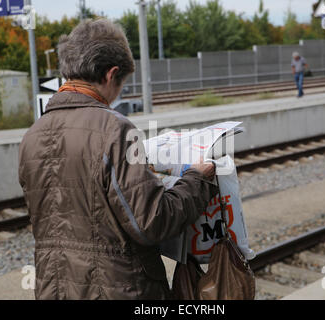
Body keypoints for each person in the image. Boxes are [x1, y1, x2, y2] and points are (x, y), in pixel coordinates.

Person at [18, 19, 218, 300]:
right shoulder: (115, 130)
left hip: (55, 289)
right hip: (118, 290)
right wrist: (197, 179)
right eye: (121, 84)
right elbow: (151, 223)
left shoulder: (32, 136)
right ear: (111, 75)